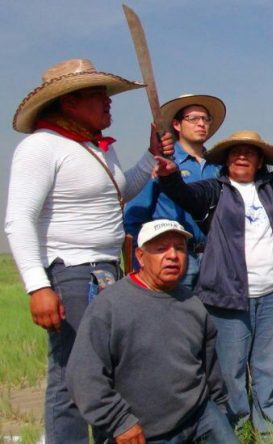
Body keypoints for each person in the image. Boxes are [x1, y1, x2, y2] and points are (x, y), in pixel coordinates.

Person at [4, 58, 173, 443]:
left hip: (106, 271)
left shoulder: (95, 149)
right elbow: (19, 219)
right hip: (72, 273)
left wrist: (150, 156)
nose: (108, 102)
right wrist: (37, 285)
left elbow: (121, 192)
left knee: (106, 371)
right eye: (98, 95)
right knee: (72, 378)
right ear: (69, 102)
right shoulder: (41, 147)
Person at [157, 111, 273, 433]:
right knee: (230, 370)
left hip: (272, 296)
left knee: (268, 367)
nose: (242, 157)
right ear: (227, 160)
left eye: (250, 153)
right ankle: (238, 428)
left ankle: (269, 428)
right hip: (228, 298)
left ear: (260, 161)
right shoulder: (212, 192)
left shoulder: (272, 188)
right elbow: (184, 197)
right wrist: (171, 177)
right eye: (236, 152)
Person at [66, 220, 237, 443]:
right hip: (140, 431)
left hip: (199, 415)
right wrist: (119, 421)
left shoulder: (193, 303)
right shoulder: (109, 306)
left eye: (179, 248)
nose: (172, 255)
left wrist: (220, 409)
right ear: (140, 256)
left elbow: (210, 368)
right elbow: (83, 376)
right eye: (161, 249)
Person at [124, 94, 227, 287]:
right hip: (173, 258)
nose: (201, 124)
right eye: (193, 119)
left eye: (205, 119)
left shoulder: (219, 168)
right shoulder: (161, 163)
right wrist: (139, 262)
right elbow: (134, 217)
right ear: (177, 125)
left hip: (214, 259)